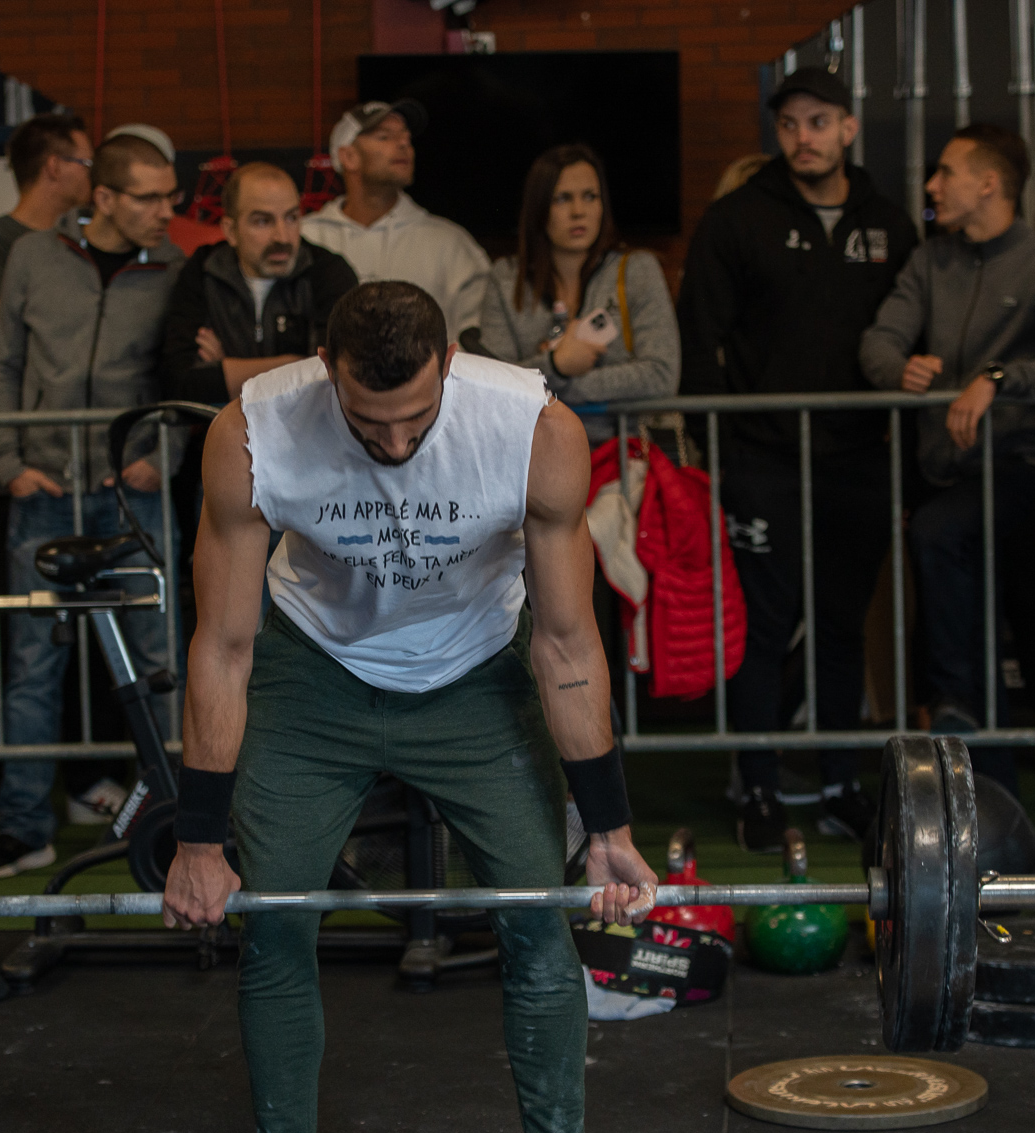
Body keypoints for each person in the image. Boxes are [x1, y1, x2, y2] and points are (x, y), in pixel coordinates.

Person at [164, 281, 656, 1133]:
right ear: (327, 368)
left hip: (476, 674)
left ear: (451, 362)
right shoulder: (252, 430)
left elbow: (564, 642)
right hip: (314, 678)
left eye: (414, 419)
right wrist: (199, 837)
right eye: (366, 420)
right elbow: (221, 644)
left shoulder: (530, 426)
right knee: (277, 920)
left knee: (536, 915)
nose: (391, 447)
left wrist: (606, 823)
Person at [675, 67, 918, 853]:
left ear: (849, 128)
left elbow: (915, 340)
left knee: (842, 627)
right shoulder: (736, 220)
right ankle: (760, 787)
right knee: (764, 628)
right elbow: (697, 344)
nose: (804, 137)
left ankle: (843, 784)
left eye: (820, 122)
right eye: (790, 124)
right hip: (763, 460)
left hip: (856, 459)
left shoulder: (891, 223)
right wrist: (721, 452)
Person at [859, 125, 1035, 791]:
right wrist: (900, 369)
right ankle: (986, 781)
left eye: (946, 173)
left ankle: (957, 702)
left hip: (1016, 467)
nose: (932, 187)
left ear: (989, 183)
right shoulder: (930, 262)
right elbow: (878, 343)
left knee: (949, 547)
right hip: (940, 470)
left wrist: (996, 378)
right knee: (967, 599)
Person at [0, 131, 185, 880]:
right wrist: (9, 463)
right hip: (43, 495)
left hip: (129, 501)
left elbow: (180, 380)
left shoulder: (175, 269)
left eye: (171, 195)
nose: (168, 210)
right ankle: (24, 827)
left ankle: (182, 820)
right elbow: (5, 366)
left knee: (163, 661)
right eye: (151, 196)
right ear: (104, 198)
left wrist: (163, 458)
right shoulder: (33, 256)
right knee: (33, 667)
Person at [479, 143, 680, 445]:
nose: (578, 212)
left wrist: (560, 381)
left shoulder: (638, 269)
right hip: (535, 458)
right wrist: (557, 364)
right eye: (562, 199)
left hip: (624, 462)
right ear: (539, 207)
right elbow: (494, 387)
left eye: (590, 196)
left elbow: (662, 376)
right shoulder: (506, 279)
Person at [159, 161, 359, 404]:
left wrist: (227, 367)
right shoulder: (203, 270)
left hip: (309, 436)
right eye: (262, 221)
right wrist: (296, 364)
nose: (282, 237)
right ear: (231, 230)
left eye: (292, 218)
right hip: (219, 433)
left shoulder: (328, 272)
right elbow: (179, 382)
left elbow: (336, 375)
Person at [301, 100, 490, 343]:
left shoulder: (451, 244)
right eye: (384, 137)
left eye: (407, 138)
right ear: (348, 156)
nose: (403, 144)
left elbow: (479, 341)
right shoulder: (307, 238)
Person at [0, 112, 94, 369]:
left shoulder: (87, 236)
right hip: (23, 401)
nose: (92, 176)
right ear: (54, 167)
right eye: (85, 164)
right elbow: (5, 338)